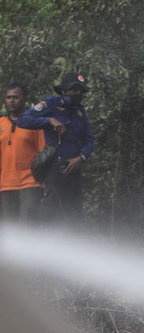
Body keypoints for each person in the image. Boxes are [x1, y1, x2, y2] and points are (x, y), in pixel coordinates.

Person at [16, 72, 95, 225]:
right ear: (64, 90)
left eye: (79, 90)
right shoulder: (51, 104)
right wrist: (50, 120)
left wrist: (81, 157)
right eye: (73, 89)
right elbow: (23, 120)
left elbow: (90, 139)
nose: (76, 93)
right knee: (50, 212)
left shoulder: (81, 111)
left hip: (75, 169)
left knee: (75, 214)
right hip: (56, 168)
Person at [0, 82, 45, 221]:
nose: (12, 101)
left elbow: (43, 153)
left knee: (28, 228)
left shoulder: (35, 122)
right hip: (6, 184)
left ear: (24, 98)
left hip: (30, 182)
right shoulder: (1, 123)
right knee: (10, 230)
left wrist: (44, 182)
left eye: (16, 97)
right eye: (8, 97)